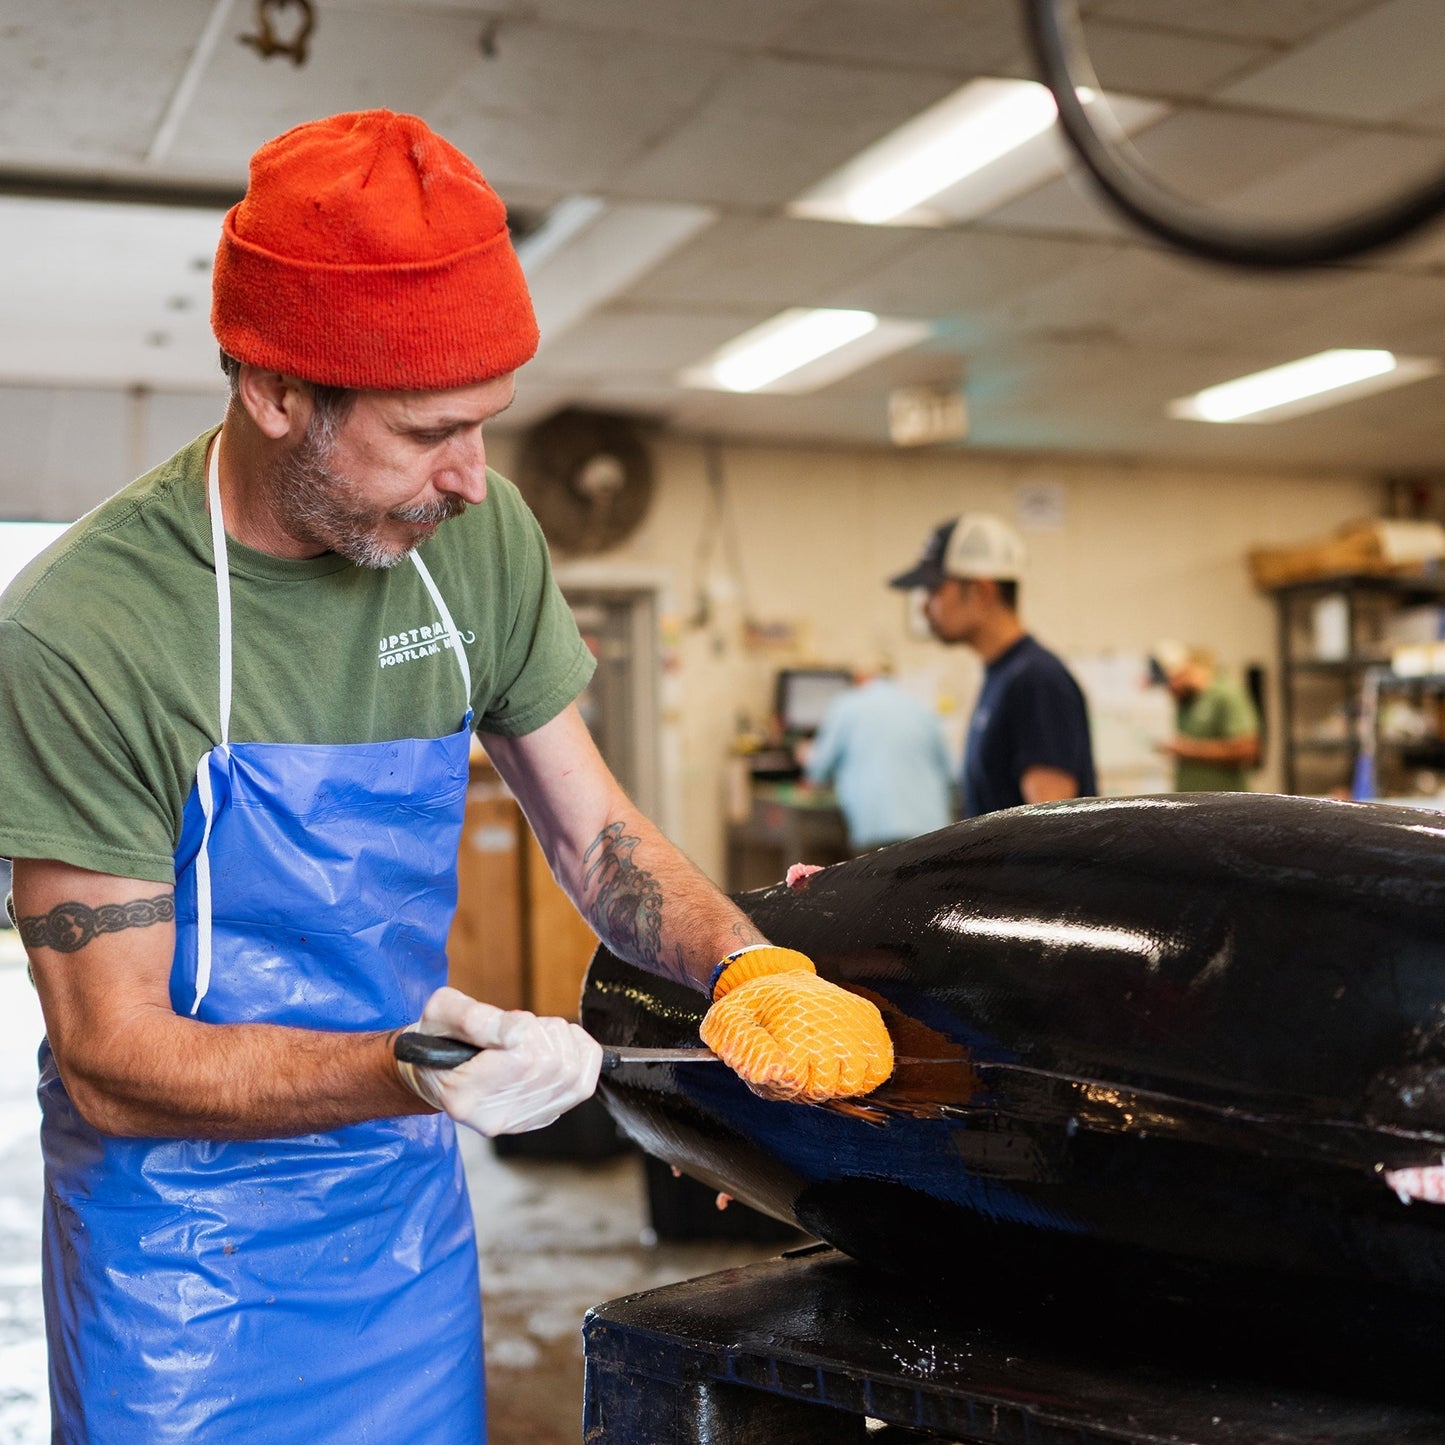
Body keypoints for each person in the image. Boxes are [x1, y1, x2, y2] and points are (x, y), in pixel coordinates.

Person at [0, 110, 892, 1444]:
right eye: (428, 431)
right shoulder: (86, 631)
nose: (473, 480)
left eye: (488, 425)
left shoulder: (475, 542)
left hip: (401, 1219)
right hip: (177, 1261)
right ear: (276, 390)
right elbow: (116, 1059)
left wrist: (742, 961)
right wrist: (416, 1068)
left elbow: (595, 836)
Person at [888, 513, 1096, 817]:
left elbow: (1052, 829)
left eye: (934, 590)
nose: (924, 606)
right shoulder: (1004, 675)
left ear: (982, 591)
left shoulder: (1036, 680)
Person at [798, 666, 954, 850]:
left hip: (878, 828)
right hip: (932, 829)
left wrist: (804, 755)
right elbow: (952, 773)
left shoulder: (847, 706)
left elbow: (819, 768)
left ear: (859, 679)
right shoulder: (919, 706)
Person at [1152, 640, 1260, 791]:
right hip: (1190, 803)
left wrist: (1188, 750)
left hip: (1224, 805)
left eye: (1173, 680)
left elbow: (1246, 749)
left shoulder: (1225, 694)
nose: (1170, 688)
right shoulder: (1185, 702)